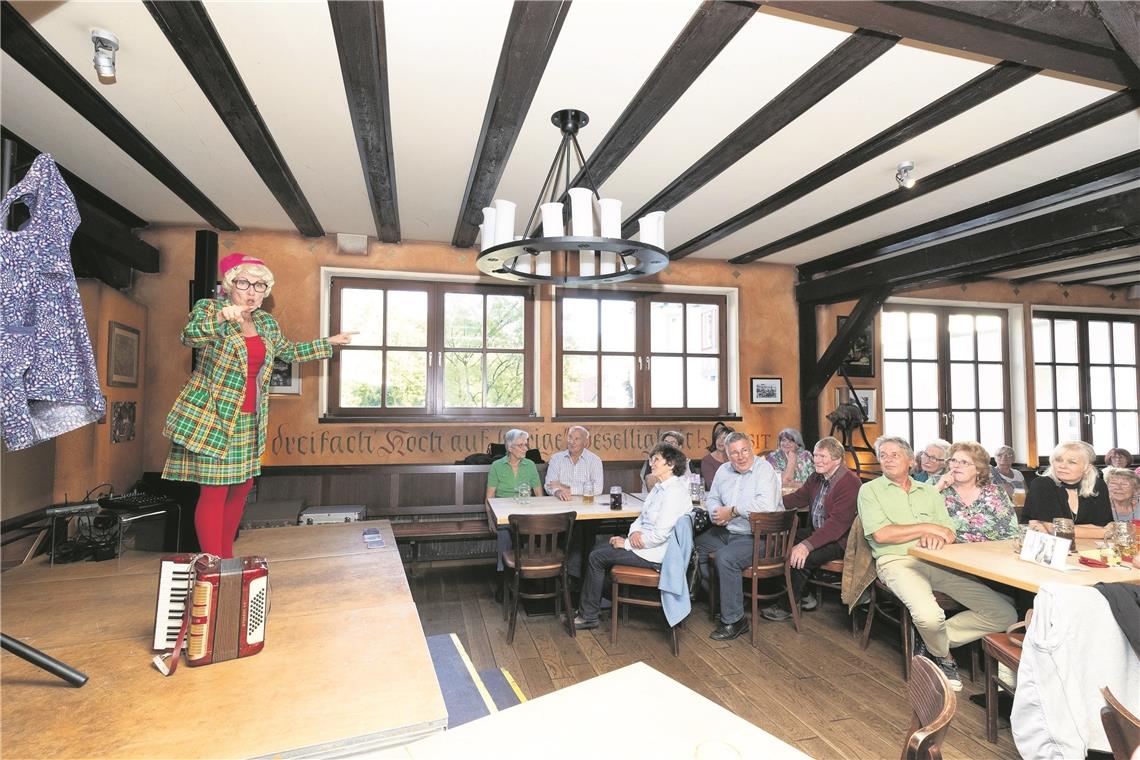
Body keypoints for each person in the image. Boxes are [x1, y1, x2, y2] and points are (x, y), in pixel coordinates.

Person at [162, 253, 354, 557]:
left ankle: (227, 558)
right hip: (212, 418)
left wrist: (328, 342)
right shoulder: (210, 309)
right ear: (229, 285)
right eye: (244, 283)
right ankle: (214, 564)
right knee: (213, 493)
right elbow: (190, 336)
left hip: (250, 420)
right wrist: (223, 318)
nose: (252, 291)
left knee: (240, 491)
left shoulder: (265, 322)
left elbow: (288, 352)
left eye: (260, 285)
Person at [858, 435, 1016, 691]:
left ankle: (930, 642)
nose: (887, 459)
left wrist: (938, 533)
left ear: (911, 461)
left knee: (1004, 614)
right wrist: (927, 527)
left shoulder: (929, 492)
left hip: (938, 561)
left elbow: (949, 531)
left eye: (894, 454)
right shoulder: (870, 490)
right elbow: (882, 534)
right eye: (882, 455)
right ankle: (944, 657)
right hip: (897, 562)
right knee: (929, 616)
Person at [572, 443, 691, 630]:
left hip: (659, 554)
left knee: (597, 556)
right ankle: (594, 607)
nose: (651, 463)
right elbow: (641, 518)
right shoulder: (660, 488)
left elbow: (660, 535)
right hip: (647, 545)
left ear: (671, 464)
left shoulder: (674, 492)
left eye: (656, 459)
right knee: (599, 549)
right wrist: (634, 532)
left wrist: (627, 543)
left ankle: (589, 616)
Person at [694, 432, 783, 641]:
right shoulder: (723, 471)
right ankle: (725, 600)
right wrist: (716, 514)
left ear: (751, 449)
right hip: (727, 530)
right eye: (734, 452)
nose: (741, 456)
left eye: (744, 450)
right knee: (696, 547)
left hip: (761, 536)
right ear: (726, 454)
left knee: (725, 558)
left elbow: (766, 507)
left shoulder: (764, 469)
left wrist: (732, 511)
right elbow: (713, 497)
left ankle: (734, 620)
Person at [761, 436, 859, 622]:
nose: (817, 460)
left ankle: (787, 606)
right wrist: (767, 504)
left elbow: (836, 527)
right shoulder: (816, 476)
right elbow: (797, 498)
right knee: (781, 542)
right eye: (815, 455)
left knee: (801, 557)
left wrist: (806, 545)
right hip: (819, 532)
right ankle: (805, 595)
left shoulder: (849, 482)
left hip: (841, 540)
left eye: (823, 456)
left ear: (837, 459)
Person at [933, 441, 1020, 543]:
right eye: (953, 460)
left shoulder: (995, 493)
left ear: (978, 469)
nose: (956, 466)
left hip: (987, 553)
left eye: (964, 462)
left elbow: (1011, 533)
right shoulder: (935, 484)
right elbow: (915, 516)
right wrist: (937, 488)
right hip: (943, 552)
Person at [1023, 441, 1112, 539]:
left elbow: (1103, 525)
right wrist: (1103, 533)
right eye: (1058, 460)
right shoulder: (1042, 484)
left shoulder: (1098, 486)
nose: (1062, 466)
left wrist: (1060, 530)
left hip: (1089, 548)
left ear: (1087, 467)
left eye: (1072, 462)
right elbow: (1056, 529)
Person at [487, 429, 543, 579]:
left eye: (526, 444)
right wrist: (490, 519)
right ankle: (503, 576)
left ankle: (527, 575)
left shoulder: (530, 465)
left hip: (526, 513)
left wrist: (540, 517)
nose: (525, 448)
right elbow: (489, 497)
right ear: (510, 448)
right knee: (505, 532)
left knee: (528, 534)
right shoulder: (497, 466)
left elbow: (539, 494)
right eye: (520, 445)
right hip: (504, 514)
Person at [545, 425, 604, 500]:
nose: (572, 442)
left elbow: (598, 488)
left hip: (586, 504)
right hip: (561, 502)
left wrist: (565, 487)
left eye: (577, 439)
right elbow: (549, 485)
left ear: (585, 442)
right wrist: (558, 492)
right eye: (570, 437)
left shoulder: (595, 460)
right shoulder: (556, 458)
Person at [701, 423, 734, 490]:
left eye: (724, 438)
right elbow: (712, 486)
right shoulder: (707, 460)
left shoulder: (735, 458)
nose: (720, 441)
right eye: (718, 438)